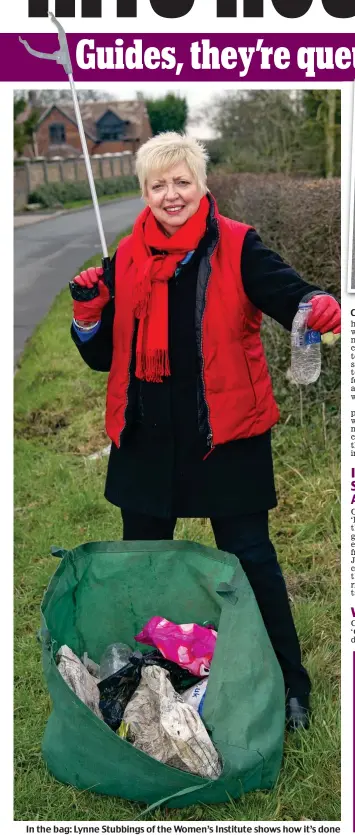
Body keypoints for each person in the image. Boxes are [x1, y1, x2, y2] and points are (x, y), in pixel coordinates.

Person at [70, 132, 341, 731]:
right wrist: (87, 316)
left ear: (202, 185)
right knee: (143, 564)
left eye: (181, 181)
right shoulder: (126, 257)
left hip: (226, 435)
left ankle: (290, 686)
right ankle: (146, 679)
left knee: (250, 560)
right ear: (144, 192)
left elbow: (295, 297)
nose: (171, 194)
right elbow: (99, 356)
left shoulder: (240, 246)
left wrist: (318, 305)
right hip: (145, 437)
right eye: (158, 184)